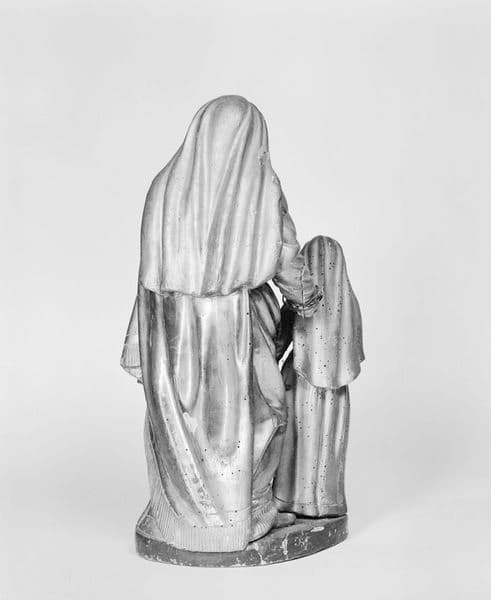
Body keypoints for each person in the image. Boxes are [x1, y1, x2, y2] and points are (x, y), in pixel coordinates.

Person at [121, 96, 321, 552]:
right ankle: (230, 520)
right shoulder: (259, 187)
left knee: (187, 427)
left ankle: (215, 518)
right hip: (234, 328)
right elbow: (285, 256)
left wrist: (140, 341)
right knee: (257, 416)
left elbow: (148, 272)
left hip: (172, 335)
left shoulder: (164, 187)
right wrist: (309, 298)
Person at [274, 236, 364, 517]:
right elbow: (355, 349)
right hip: (336, 389)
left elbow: (278, 342)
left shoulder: (299, 302)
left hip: (300, 381)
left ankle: (292, 499)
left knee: (299, 441)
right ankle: (326, 500)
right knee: (327, 443)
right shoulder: (350, 304)